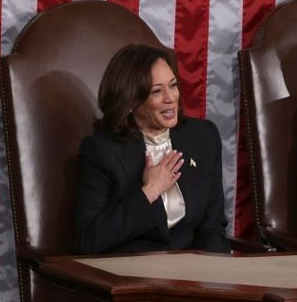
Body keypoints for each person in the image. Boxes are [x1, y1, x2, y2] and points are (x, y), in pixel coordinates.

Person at [75, 44, 230, 254]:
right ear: (131, 101)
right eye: (157, 91)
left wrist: (218, 277)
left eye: (173, 85)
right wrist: (150, 191)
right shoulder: (102, 151)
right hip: (131, 275)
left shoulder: (202, 136)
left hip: (191, 276)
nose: (170, 98)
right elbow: (89, 240)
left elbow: (212, 227)